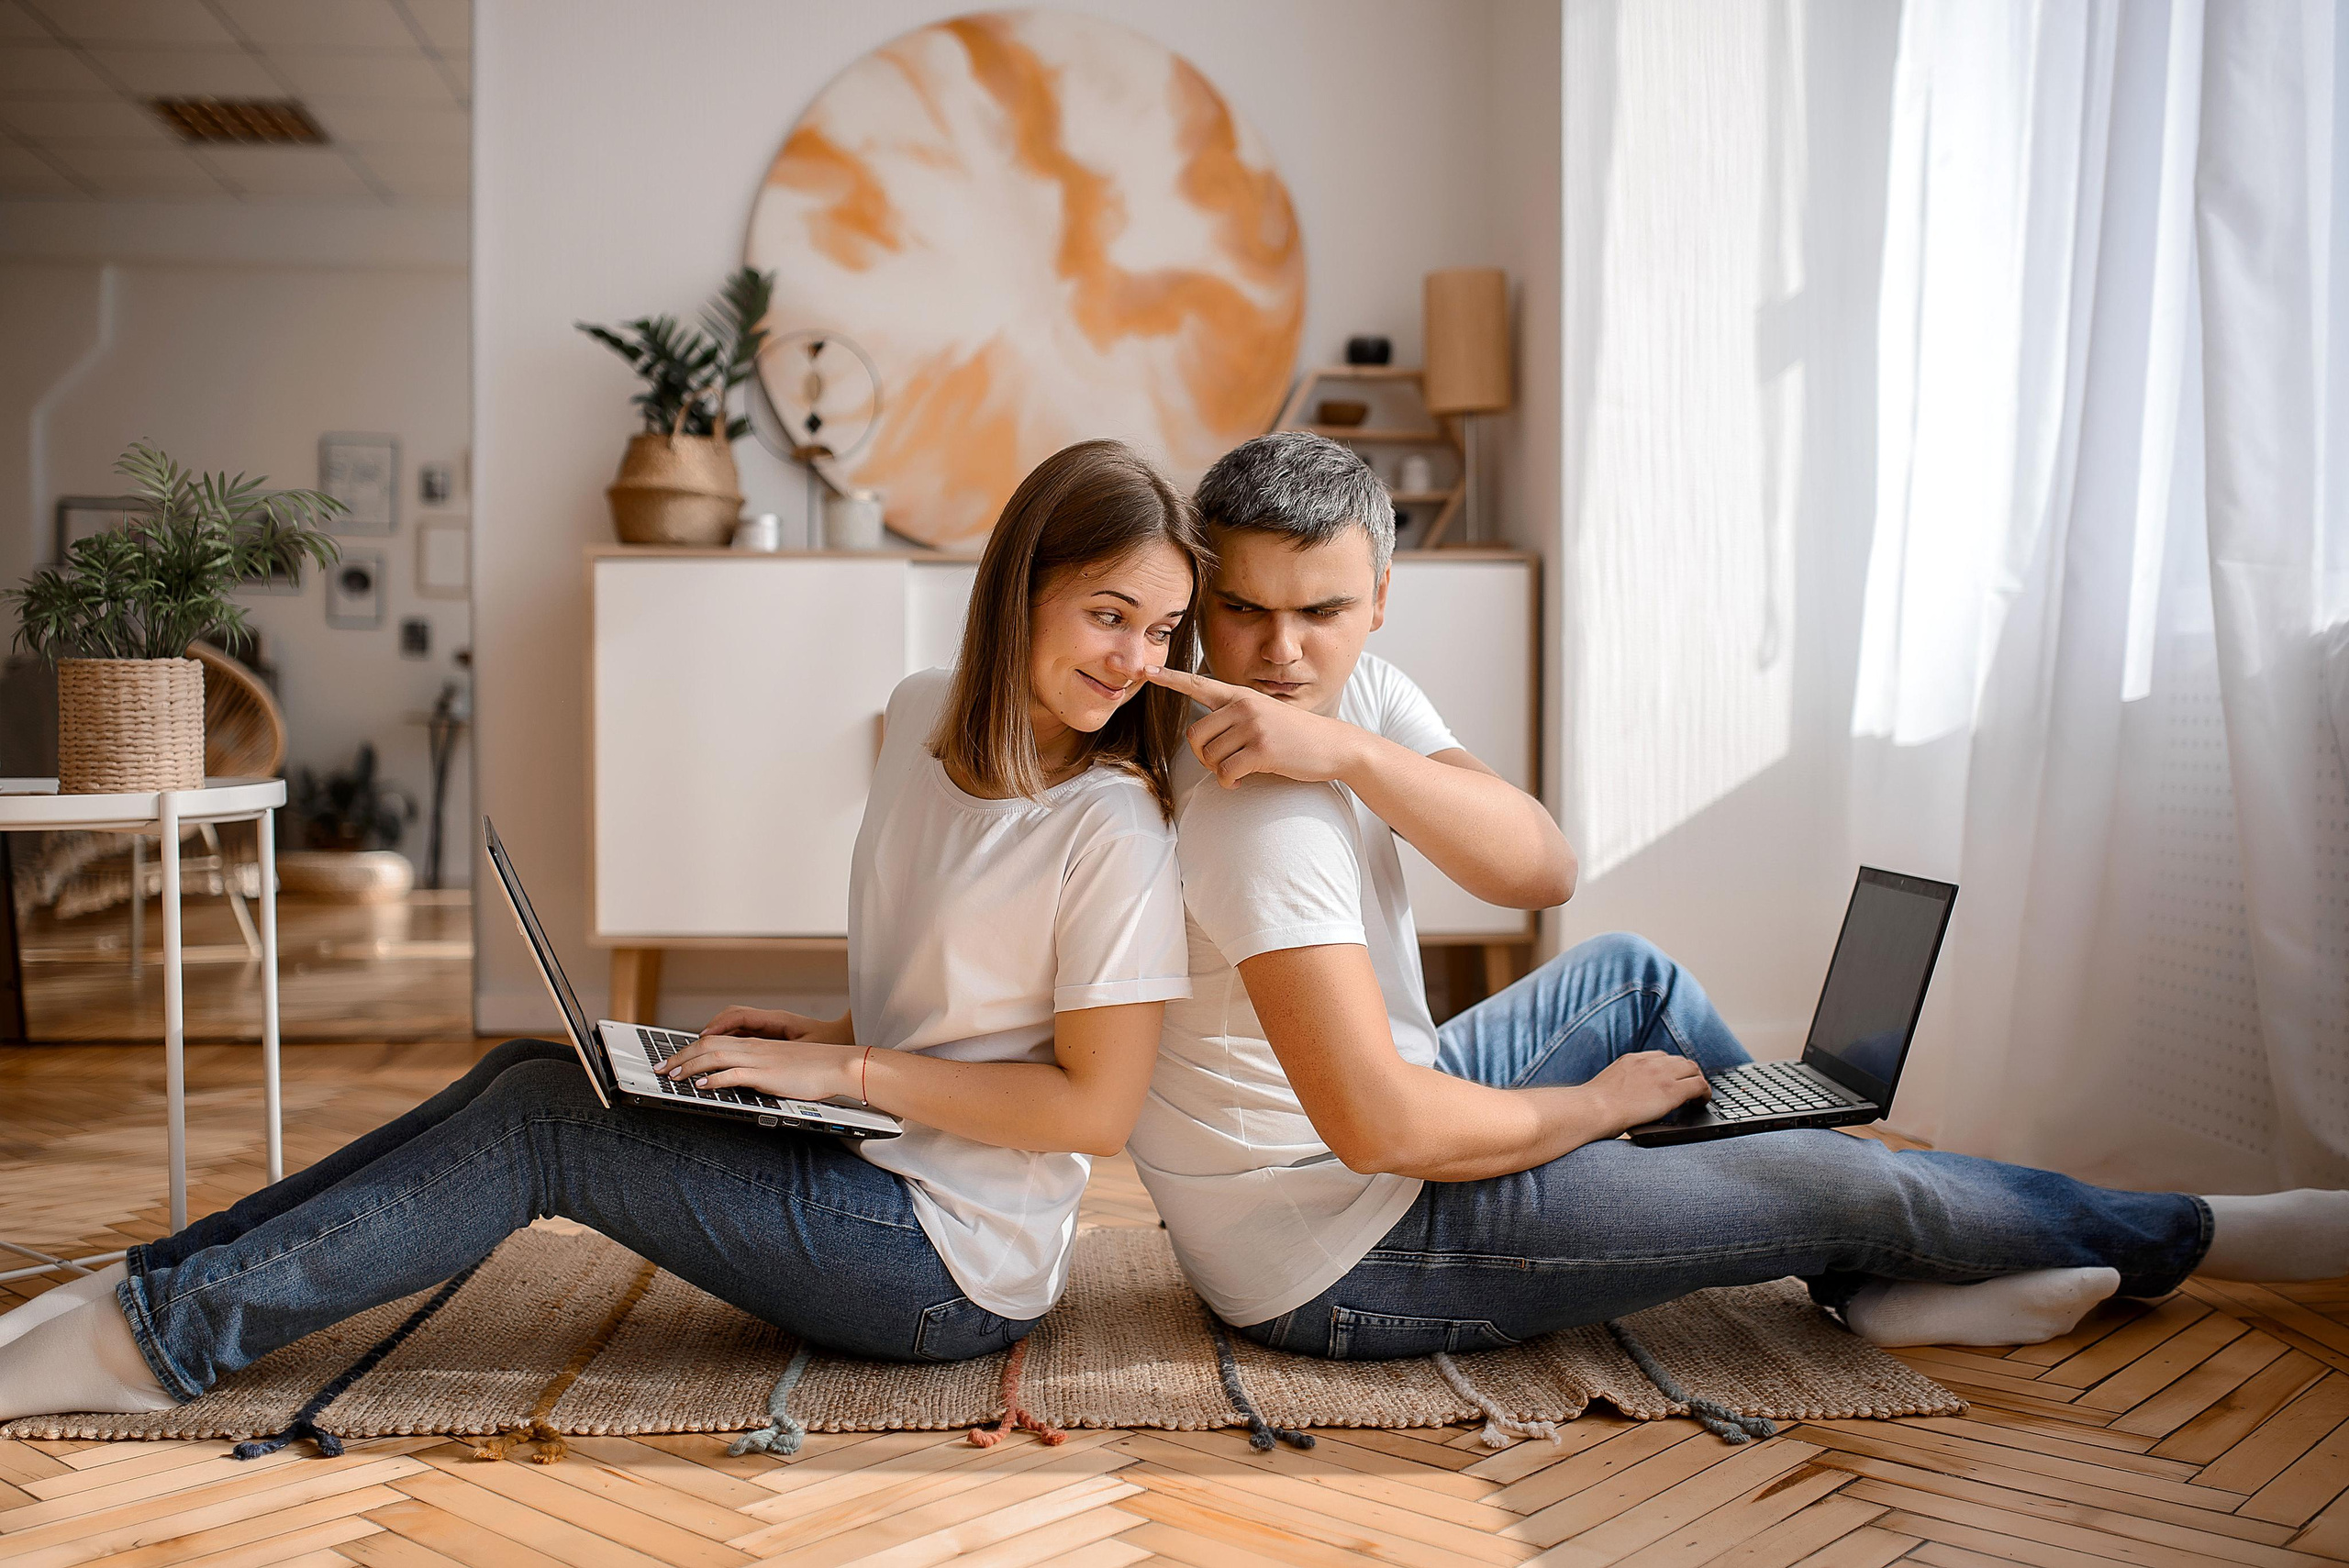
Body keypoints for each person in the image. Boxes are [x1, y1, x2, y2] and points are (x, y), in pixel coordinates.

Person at [0, 439, 1208, 1418]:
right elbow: (973, 992)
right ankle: (157, 1279)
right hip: (865, 1153)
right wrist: (826, 1031)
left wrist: (841, 1067)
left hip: (951, 1267)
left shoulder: (1114, 825)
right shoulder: (918, 716)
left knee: (542, 1129)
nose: (1136, 663)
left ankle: (146, 1346)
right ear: (1022, 585)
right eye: (1112, 616)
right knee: (536, 1067)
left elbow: (1091, 1110)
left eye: (1161, 634)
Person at [1127, 431, 2349, 1359]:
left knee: (1632, 973)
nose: (1281, 654)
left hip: (1375, 1144)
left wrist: (1351, 752)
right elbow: (1388, 1132)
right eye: (1242, 611)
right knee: (1836, 1178)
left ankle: (1868, 1280)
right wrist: (1599, 1105)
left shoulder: (1348, 708)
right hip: (1347, 1254)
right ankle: (2193, 1230)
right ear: (1201, 601)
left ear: (1379, 601)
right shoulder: (1256, 811)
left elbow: (1538, 868)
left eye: (1321, 612)